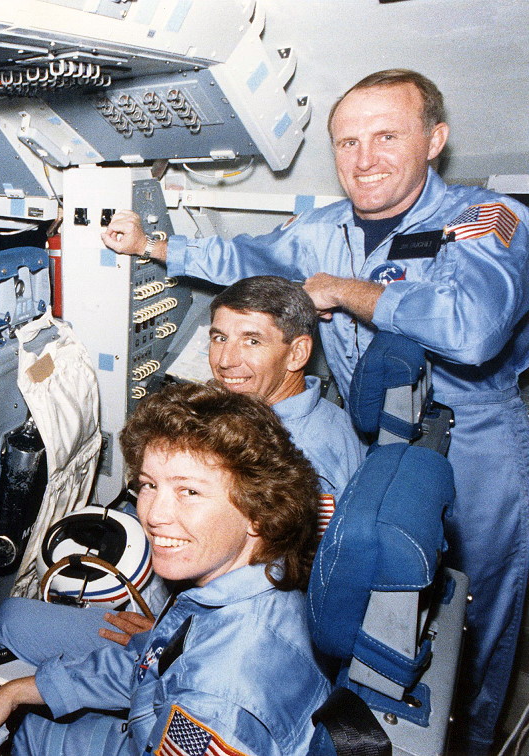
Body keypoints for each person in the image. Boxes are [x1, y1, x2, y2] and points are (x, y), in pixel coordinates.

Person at [102, 68, 529, 753]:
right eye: (347, 142)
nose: (364, 160)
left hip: (472, 439)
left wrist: (341, 289)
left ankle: (471, 741)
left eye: (387, 136)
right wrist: (156, 246)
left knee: (472, 615)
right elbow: (245, 254)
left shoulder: (487, 219)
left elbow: (471, 327)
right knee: (377, 582)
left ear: (435, 141)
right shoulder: (325, 228)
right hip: (378, 434)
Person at [0, 382, 330, 756]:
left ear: (259, 512)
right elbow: (150, 665)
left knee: (12, 735)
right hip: (147, 719)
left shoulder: (215, 700)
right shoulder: (249, 580)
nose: (154, 515)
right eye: (150, 485)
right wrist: (19, 690)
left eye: (189, 491)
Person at [208, 276, 364, 516]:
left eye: (252, 341)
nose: (225, 361)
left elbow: (298, 553)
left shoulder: (294, 461)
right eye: (220, 338)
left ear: (297, 353)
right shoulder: (321, 410)